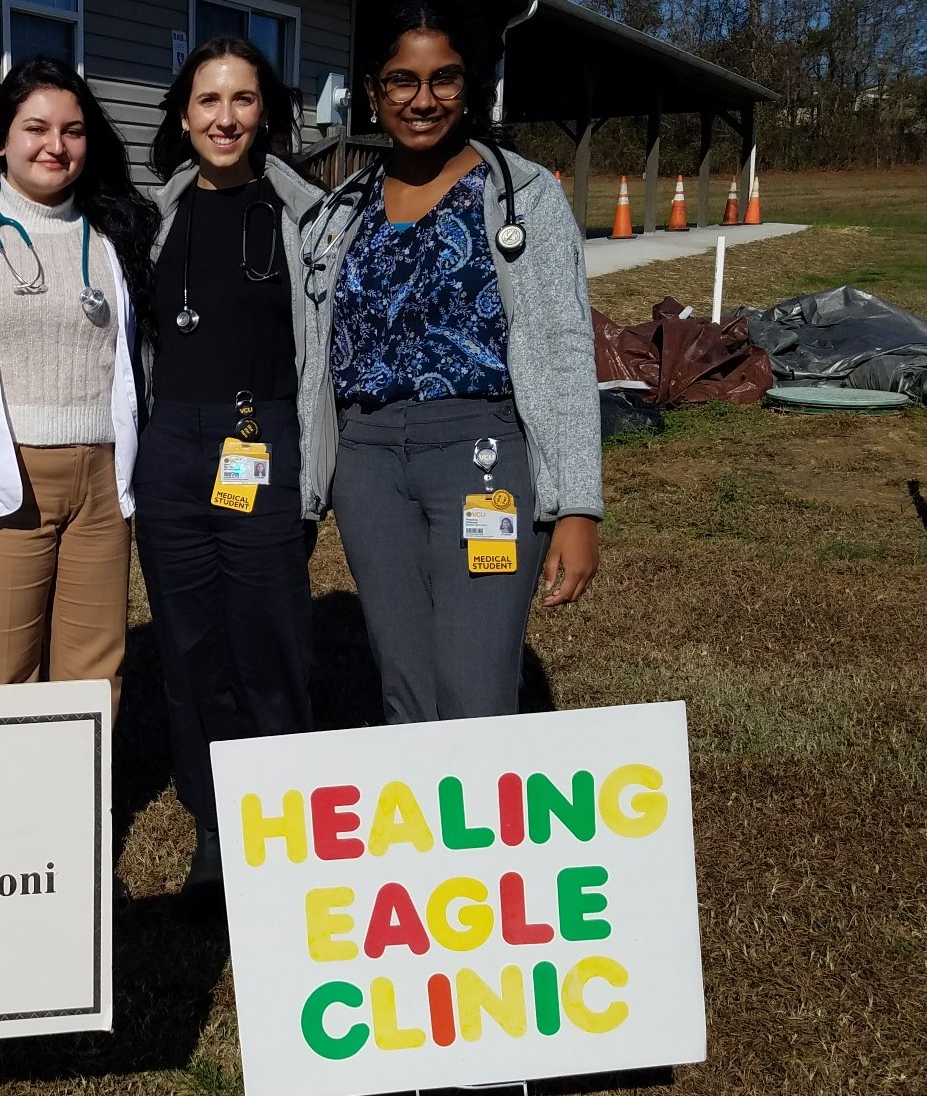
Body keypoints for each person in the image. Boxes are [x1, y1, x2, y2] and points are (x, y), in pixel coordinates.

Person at [302, 1, 602, 726]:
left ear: (470, 87)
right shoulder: (344, 208)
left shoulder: (520, 195)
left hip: (483, 459)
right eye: (402, 80)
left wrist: (577, 507)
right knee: (404, 682)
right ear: (373, 90)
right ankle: (422, 840)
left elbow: (563, 346)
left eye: (444, 79)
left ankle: (489, 837)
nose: (423, 99)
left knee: (474, 681)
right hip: (367, 465)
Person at [0, 58, 159, 702]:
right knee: (3, 665)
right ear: (2, 139)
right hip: (3, 473)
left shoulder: (115, 229)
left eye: (73, 130)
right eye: (36, 127)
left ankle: (81, 801)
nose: (56, 145)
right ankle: (5, 801)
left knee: (94, 665)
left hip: (100, 478)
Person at [137, 37, 327, 901]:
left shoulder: (305, 216)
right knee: (190, 649)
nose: (225, 117)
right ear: (184, 115)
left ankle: (281, 813)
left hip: (264, 441)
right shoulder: (152, 218)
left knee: (269, 644)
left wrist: (314, 470)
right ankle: (215, 823)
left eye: (243, 100)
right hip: (171, 450)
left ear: (266, 112)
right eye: (208, 101)